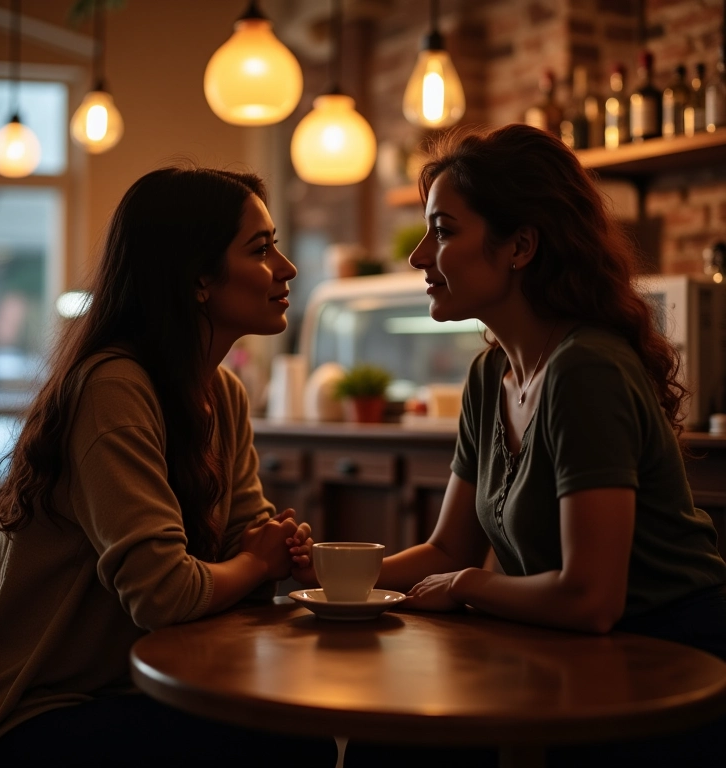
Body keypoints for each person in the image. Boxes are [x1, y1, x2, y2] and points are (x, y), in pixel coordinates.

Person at [302, 124, 725, 768]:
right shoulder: (488, 373)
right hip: (574, 652)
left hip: (670, 666)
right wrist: (323, 580)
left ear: (520, 246)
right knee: (394, 741)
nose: (418, 257)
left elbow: (590, 598)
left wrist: (471, 585)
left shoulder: (585, 369)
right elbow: (448, 548)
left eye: (442, 232)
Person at [0, 166, 337, 767]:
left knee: (296, 728)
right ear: (197, 279)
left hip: (127, 686)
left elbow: (250, 543)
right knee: (286, 742)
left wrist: (272, 551)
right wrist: (257, 560)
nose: (287, 269)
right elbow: (163, 594)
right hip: (23, 712)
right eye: (261, 249)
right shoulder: (113, 388)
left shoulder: (223, 394)